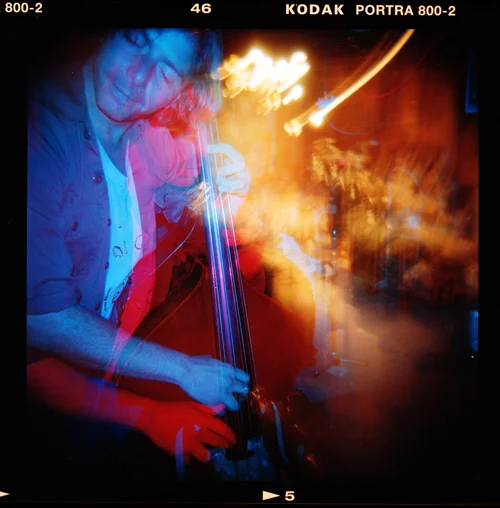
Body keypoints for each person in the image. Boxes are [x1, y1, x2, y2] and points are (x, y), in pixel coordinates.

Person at [27, 28, 254, 463]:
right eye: (136, 40)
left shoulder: (144, 135)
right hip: (42, 414)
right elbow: (40, 323)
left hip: (110, 372)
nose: (138, 76)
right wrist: (178, 375)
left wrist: (228, 173)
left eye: (167, 71)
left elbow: (193, 182)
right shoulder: (39, 137)